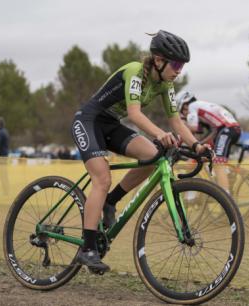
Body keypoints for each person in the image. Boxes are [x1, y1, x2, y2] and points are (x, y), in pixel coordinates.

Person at [71, 30, 211, 272]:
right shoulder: (136, 71)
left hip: (110, 124)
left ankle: (110, 202)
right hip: (88, 121)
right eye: (176, 64)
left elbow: (176, 122)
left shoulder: (166, 84)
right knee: (102, 179)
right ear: (158, 60)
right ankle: (88, 248)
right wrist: (159, 134)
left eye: (183, 65)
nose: (179, 70)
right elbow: (135, 114)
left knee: (152, 156)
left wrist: (197, 145)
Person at [177, 92, 241, 194]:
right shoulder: (201, 107)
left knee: (218, 163)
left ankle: (226, 199)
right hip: (229, 129)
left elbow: (192, 129)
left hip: (226, 130)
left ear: (185, 104)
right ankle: (225, 175)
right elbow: (208, 134)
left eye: (183, 111)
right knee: (209, 156)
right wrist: (198, 145)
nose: (185, 114)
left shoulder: (192, 106)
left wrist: (180, 132)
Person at [0, 117, 10, 194]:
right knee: (4, 174)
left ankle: (5, 191)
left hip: (0, 157)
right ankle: (6, 190)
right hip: (4, 156)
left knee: (2, 175)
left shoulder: (0, 133)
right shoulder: (5, 131)